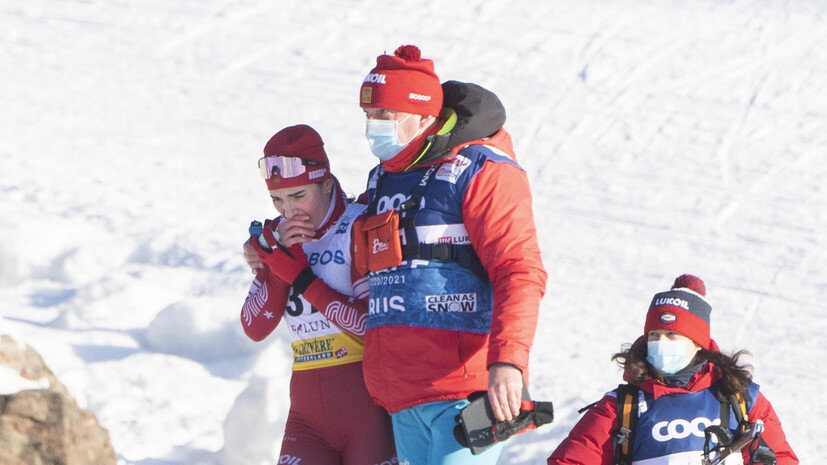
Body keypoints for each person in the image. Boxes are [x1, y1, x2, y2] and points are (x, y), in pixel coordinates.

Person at [356, 45, 548, 464]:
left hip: (463, 392)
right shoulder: (382, 180)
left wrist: (509, 363)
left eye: (385, 117)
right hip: (401, 395)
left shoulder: (481, 169)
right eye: (369, 116)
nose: (373, 128)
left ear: (424, 116)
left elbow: (519, 270)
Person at [239, 124, 396, 465]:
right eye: (277, 199)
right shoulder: (276, 237)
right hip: (306, 419)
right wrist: (278, 266)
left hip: (366, 414)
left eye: (299, 195)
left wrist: (300, 276)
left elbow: (373, 328)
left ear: (326, 182)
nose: (289, 210)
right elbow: (254, 328)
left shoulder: (357, 226)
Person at [547, 274, 798, 465]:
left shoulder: (741, 398)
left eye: (672, 335)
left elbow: (782, 458)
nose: (660, 343)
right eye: (654, 335)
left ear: (697, 343)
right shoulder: (622, 406)